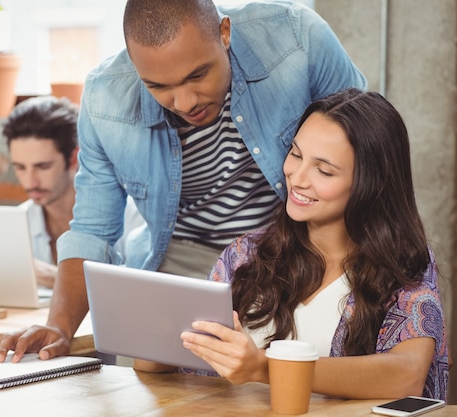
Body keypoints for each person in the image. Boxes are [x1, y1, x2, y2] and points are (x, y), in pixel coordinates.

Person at [0, 0, 367, 363]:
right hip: (184, 265)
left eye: (198, 75)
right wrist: (58, 327)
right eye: (158, 86)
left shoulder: (296, 39)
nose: (185, 102)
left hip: (293, 249)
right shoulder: (106, 100)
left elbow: (367, 149)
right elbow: (92, 230)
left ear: (224, 32)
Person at [135, 89, 450, 400]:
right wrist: (161, 338)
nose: (297, 178)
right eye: (296, 154)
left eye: (323, 170)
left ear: (370, 184)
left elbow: (406, 375)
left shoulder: (406, 265)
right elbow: (155, 365)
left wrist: (264, 367)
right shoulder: (246, 255)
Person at [1, 95, 144, 289]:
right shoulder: (17, 222)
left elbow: (145, 284)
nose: (30, 181)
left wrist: (54, 276)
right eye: (20, 167)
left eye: (43, 166)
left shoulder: (132, 216)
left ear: (73, 158)